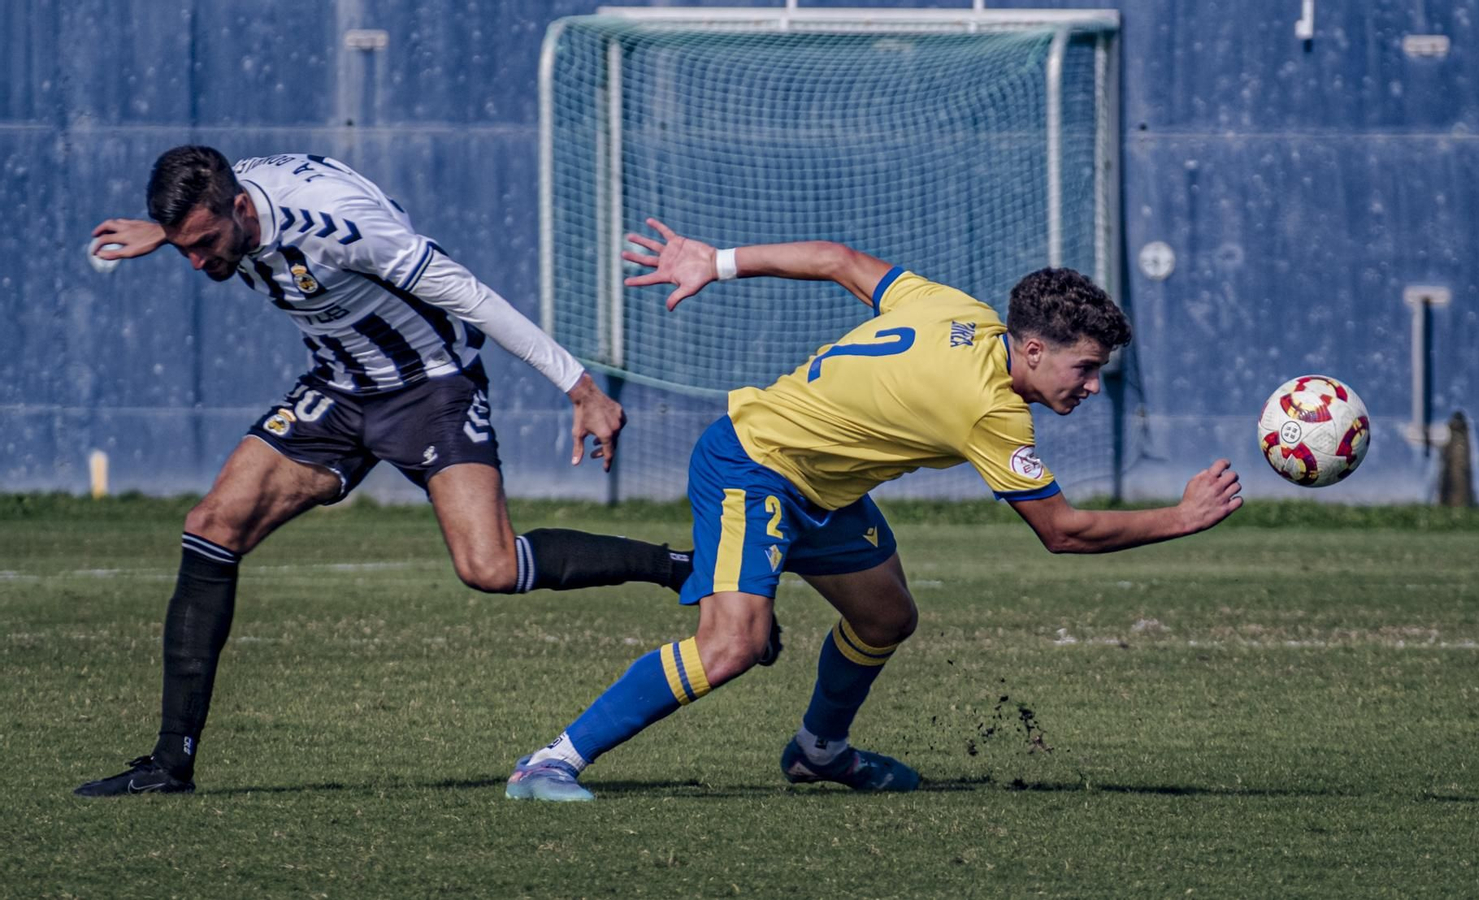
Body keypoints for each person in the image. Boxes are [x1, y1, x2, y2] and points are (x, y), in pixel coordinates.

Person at [71, 149, 748, 796]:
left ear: (241, 209)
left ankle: (678, 568)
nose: (196, 262)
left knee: (490, 567)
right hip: (338, 388)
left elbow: (472, 296)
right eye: (181, 245)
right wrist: (162, 234)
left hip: (430, 389)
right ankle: (169, 762)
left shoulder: (344, 229)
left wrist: (581, 388)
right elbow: (200, 225)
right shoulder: (221, 202)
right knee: (211, 526)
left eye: (203, 243)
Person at [503, 219, 1244, 801]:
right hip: (753, 465)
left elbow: (836, 259)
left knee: (886, 618)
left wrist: (717, 261)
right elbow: (1063, 531)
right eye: (1083, 369)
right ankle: (549, 762)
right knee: (733, 645)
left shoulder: (957, 309)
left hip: (824, 491)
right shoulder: (990, 411)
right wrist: (1180, 518)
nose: (1090, 387)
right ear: (1031, 349)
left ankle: (819, 751)